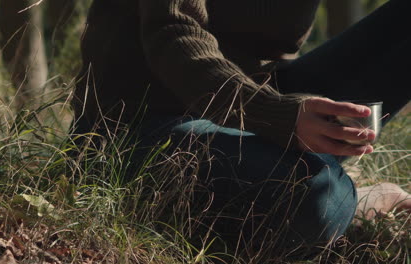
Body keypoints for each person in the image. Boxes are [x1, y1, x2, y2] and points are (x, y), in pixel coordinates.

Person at [71, 0, 411, 258]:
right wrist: (278, 116)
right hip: (138, 129)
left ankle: (307, 169)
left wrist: (292, 111)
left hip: (256, 98)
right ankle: (358, 200)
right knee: (310, 199)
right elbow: (173, 32)